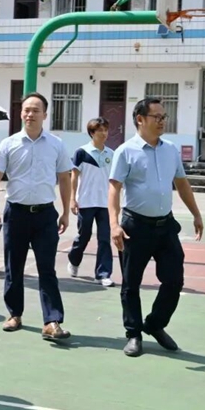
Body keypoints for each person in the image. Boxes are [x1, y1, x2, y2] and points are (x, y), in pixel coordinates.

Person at [108, 97, 204, 358]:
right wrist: (114, 225)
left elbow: (181, 183)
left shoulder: (170, 150)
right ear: (140, 119)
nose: (162, 121)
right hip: (135, 226)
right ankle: (134, 333)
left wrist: (196, 213)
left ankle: (154, 324)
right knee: (131, 284)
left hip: (165, 226)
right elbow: (114, 189)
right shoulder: (125, 151)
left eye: (164, 117)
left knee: (174, 280)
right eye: (157, 117)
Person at [0, 93, 73, 342]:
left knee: (47, 269)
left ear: (45, 114)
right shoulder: (9, 144)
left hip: (45, 215)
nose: (30, 114)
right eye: (26, 110)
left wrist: (65, 212)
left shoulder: (56, 144)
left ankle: (52, 321)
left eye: (35, 110)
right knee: (14, 267)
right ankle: (15, 314)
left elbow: (64, 178)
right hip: (16, 213)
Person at [67, 117, 115, 287]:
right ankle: (74, 259)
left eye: (106, 130)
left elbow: (114, 180)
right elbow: (74, 177)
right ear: (92, 133)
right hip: (86, 202)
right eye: (100, 130)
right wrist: (72, 199)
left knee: (104, 239)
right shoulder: (82, 152)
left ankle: (102, 274)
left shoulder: (111, 154)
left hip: (105, 204)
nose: (104, 133)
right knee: (84, 236)